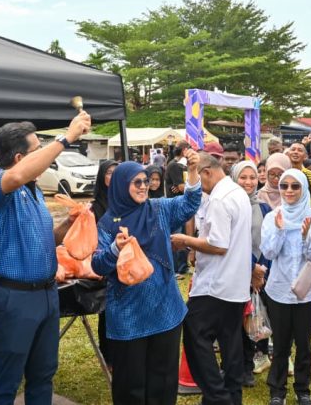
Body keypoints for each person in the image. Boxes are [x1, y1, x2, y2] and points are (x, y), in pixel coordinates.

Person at [0, 113, 90, 404]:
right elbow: (14, 176)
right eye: (37, 152)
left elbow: (45, 240)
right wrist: (66, 138)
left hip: (46, 294)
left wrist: (69, 224)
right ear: (18, 157)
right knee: (7, 379)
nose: (46, 158)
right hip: (14, 297)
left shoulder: (35, 191)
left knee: (43, 374)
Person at [91, 152, 202, 405]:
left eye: (145, 181)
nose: (143, 186)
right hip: (128, 313)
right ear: (121, 185)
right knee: (130, 384)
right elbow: (97, 264)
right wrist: (115, 250)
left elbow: (189, 204)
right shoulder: (108, 224)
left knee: (162, 380)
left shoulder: (158, 208)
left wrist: (193, 172)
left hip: (164, 308)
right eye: (136, 182)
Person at [175, 152, 253, 405]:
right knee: (230, 342)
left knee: (195, 334)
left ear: (208, 172)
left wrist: (186, 242)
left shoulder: (220, 198)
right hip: (235, 283)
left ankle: (218, 397)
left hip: (216, 285)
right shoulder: (237, 192)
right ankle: (230, 395)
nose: (200, 183)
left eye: (200, 176)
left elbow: (218, 245)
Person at [260, 168, 311, 405]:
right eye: (285, 186)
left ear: (303, 188)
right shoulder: (273, 217)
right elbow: (268, 252)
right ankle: (277, 391)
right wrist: (279, 230)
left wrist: (307, 235)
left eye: (295, 186)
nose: (289, 190)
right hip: (279, 289)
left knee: (304, 342)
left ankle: (302, 388)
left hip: (308, 290)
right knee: (280, 344)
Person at [230, 161, 273, 385]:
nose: (248, 182)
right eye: (243, 177)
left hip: (258, 276)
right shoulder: (228, 205)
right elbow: (230, 243)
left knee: (251, 322)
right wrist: (249, 269)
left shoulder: (264, 207)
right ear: (234, 178)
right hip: (235, 273)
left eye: (252, 177)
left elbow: (269, 242)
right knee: (233, 324)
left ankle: (247, 367)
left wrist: (260, 271)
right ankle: (232, 367)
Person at [91, 159, 118, 369]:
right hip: (104, 263)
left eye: (117, 173)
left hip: (125, 264)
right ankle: (108, 355)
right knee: (106, 311)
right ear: (102, 177)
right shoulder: (95, 207)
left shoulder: (125, 201)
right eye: (109, 173)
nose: (113, 176)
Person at [164, 141, 192, 278]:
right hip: (175, 206)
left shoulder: (180, 165)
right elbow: (181, 187)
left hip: (181, 204)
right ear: (184, 150)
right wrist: (183, 187)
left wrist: (183, 187)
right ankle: (176, 269)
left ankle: (183, 266)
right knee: (176, 237)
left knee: (185, 235)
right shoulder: (174, 165)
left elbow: (182, 186)